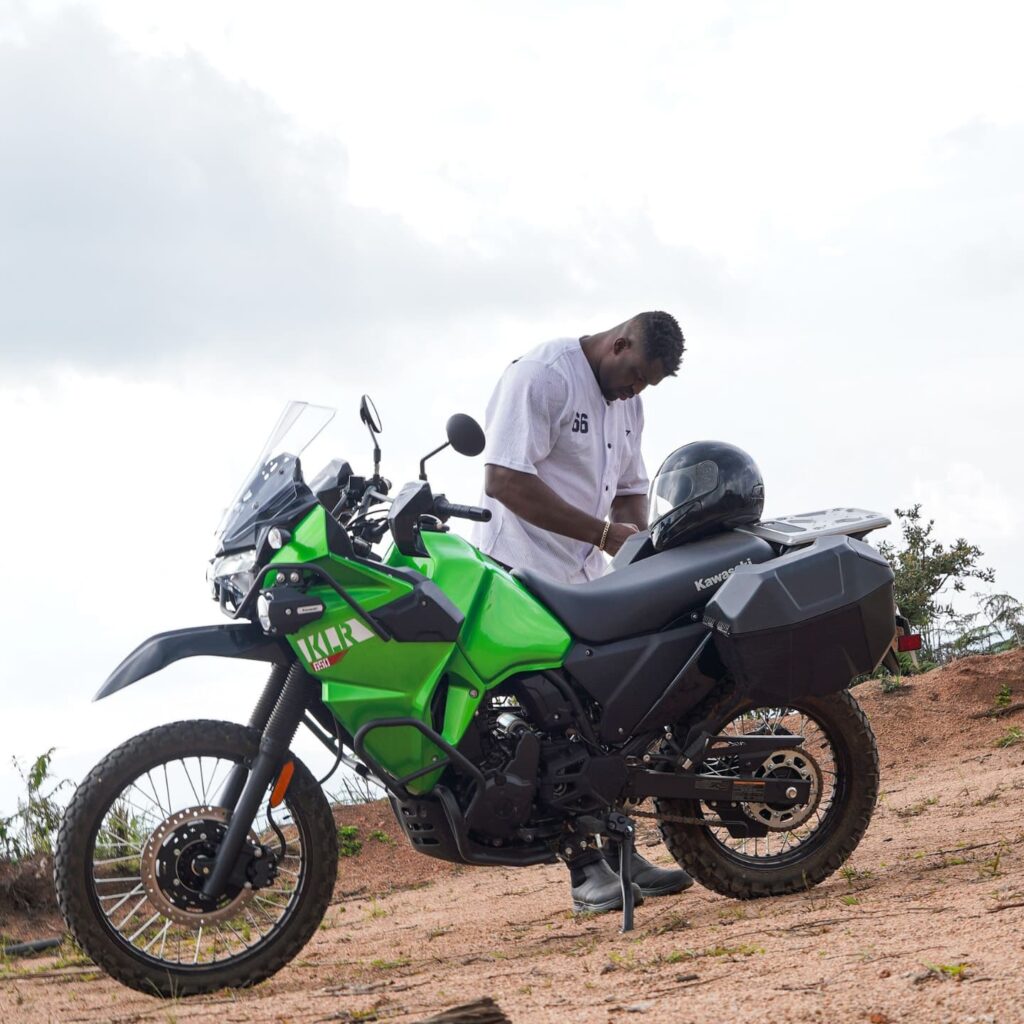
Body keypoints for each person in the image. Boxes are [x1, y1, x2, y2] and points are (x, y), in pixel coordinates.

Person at [472, 311, 693, 914]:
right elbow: (504, 480)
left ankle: (621, 853)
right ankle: (585, 872)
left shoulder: (628, 403)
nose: (635, 391)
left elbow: (629, 487)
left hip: (585, 582)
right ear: (618, 342)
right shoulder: (543, 376)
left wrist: (643, 558)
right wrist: (602, 534)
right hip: (517, 576)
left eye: (646, 384)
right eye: (634, 375)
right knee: (545, 723)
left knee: (601, 719)